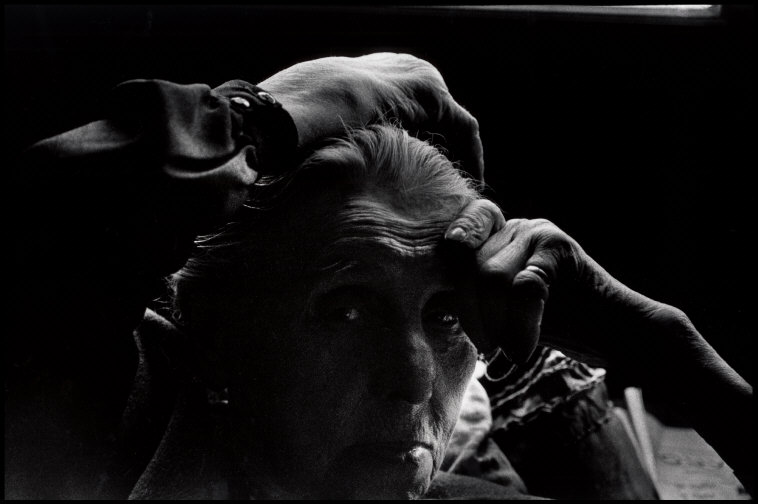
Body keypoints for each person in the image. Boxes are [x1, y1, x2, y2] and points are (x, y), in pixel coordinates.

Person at [8, 53, 752, 499]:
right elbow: (44, 224)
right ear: (216, 339)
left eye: (446, 316)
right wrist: (262, 117)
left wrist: (665, 348)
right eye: (347, 310)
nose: (414, 380)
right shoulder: (97, 445)